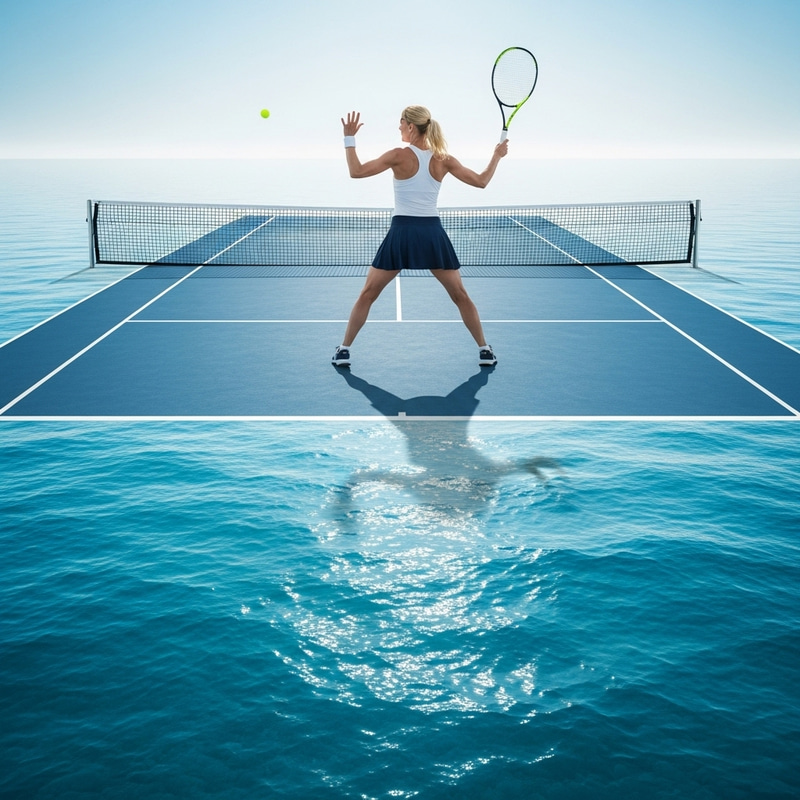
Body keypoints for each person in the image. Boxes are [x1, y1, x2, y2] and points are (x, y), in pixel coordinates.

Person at [331, 106, 509, 368]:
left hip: (402, 232)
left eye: (401, 123)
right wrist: (496, 156)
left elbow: (356, 171)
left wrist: (349, 139)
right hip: (431, 234)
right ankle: (485, 350)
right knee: (460, 295)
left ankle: (344, 350)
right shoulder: (443, 158)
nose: (399, 128)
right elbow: (482, 181)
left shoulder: (398, 155)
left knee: (368, 293)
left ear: (411, 126)